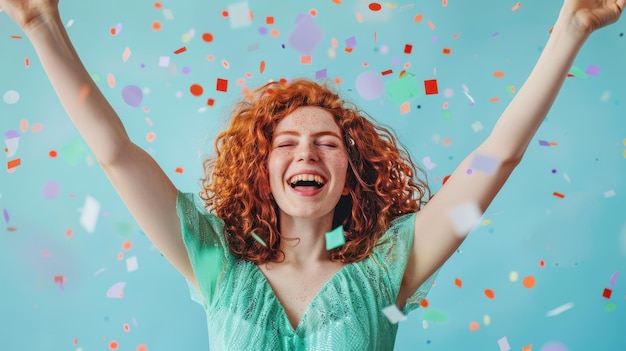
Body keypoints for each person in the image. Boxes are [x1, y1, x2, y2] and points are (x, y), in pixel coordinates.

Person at [0, 0, 622, 349]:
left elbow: (499, 158)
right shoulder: (217, 265)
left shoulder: (391, 267)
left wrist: (570, 28)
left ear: (352, 175)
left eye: (327, 143)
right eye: (287, 143)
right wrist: (39, 23)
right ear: (261, 170)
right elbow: (116, 154)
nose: (307, 154)